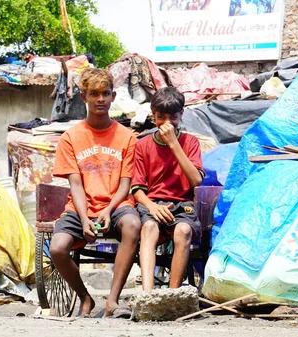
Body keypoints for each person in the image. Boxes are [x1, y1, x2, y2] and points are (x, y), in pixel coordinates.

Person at [50, 68, 141, 318]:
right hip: (80, 208)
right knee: (57, 248)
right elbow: (76, 184)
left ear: (113, 96)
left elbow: (125, 184)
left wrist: (108, 210)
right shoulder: (70, 137)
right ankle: (84, 297)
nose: (99, 99)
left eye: (104, 93)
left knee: (133, 224)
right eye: (93, 94)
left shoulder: (127, 137)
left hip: (116, 205)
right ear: (83, 97)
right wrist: (84, 218)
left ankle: (112, 301)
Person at [131, 87, 204, 290]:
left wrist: (173, 143)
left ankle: (172, 293)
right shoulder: (143, 145)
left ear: (181, 115)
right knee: (148, 228)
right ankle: (147, 293)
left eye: (172, 117)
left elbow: (196, 180)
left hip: (182, 205)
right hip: (152, 205)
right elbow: (137, 188)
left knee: (182, 231)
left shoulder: (190, 142)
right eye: (161, 117)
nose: (166, 123)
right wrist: (152, 207)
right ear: (153, 115)